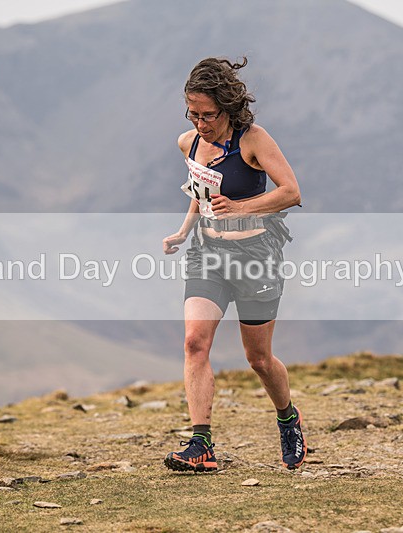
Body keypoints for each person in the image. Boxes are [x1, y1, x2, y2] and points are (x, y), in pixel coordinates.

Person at [162, 57, 305, 472]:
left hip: (255, 256)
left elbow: (291, 192)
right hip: (207, 254)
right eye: (193, 113)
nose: (200, 123)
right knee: (194, 343)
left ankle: (287, 418)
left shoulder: (253, 140)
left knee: (258, 359)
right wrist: (184, 230)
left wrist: (241, 207)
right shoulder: (188, 142)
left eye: (208, 115)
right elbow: (201, 192)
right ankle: (201, 443)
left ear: (228, 107)